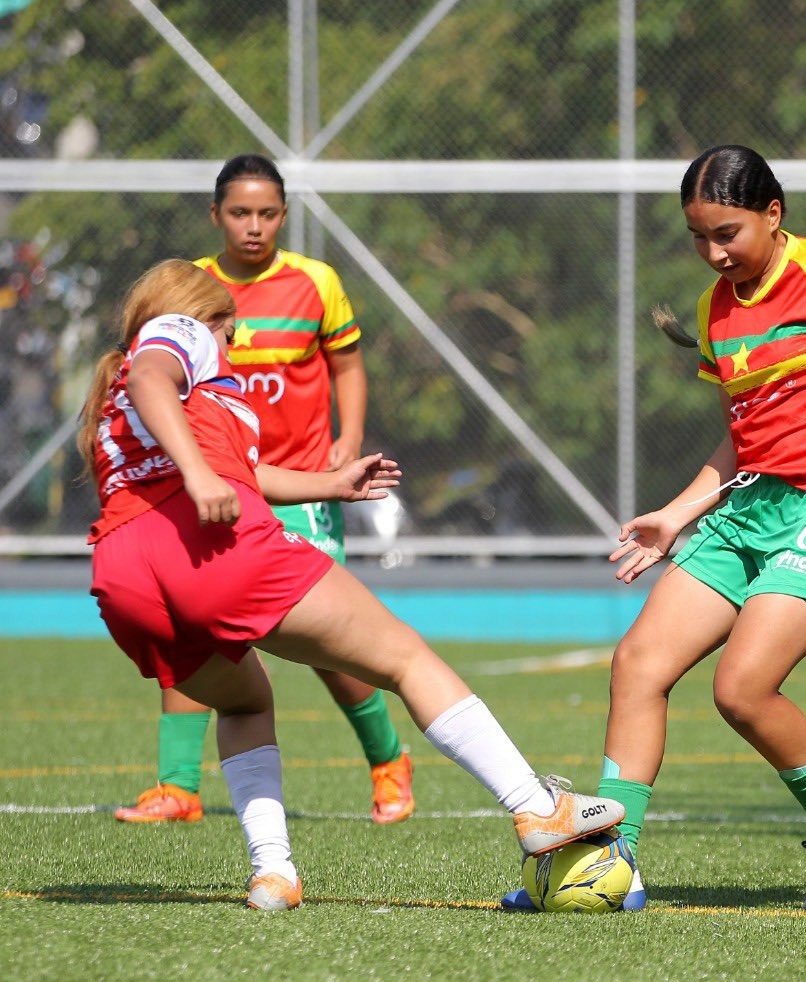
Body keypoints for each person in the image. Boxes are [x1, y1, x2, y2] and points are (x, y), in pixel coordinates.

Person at [83, 259, 622, 909]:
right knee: (407, 658)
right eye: (233, 334)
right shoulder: (180, 334)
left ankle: (273, 872)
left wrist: (332, 484)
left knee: (246, 701)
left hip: (124, 579)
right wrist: (199, 477)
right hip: (210, 545)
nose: (235, 346)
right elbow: (155, 381)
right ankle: (537, 809)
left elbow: (248, 471)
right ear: (211, 318)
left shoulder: (124, 395)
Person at [504, 144, 806, 914]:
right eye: (699, 236)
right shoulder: (714, 311)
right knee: (638, 662)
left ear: (774, 214)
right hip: (750, 511)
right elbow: (745, 435)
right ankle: (613, 858)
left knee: (741, 688)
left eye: (727, 232)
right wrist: (675, 514)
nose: (713, 252)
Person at [114, 155, 415, 827]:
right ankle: (179, 786)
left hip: (302, 484)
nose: (255, 226)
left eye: (269, 213)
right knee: (190, 625)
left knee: (329, 645)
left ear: (284, 215)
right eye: (240, 213)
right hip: (218, 489)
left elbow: (348, 364)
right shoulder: (190, 293)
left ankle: (388, 760)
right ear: (215, 216)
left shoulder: (316, 284)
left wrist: (350, 437)